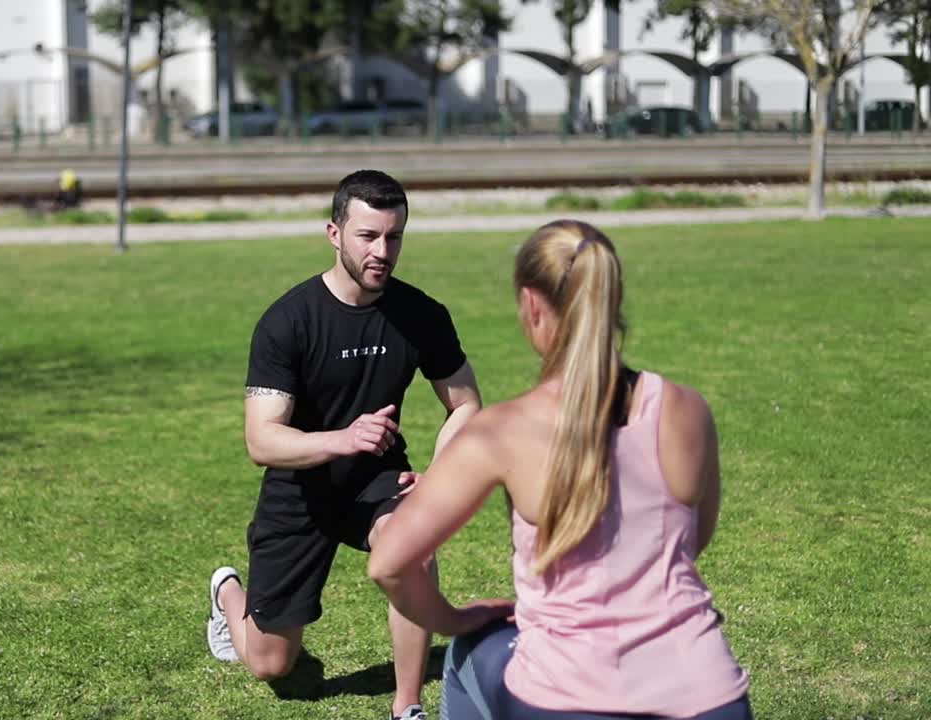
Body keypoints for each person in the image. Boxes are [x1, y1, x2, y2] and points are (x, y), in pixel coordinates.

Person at [368, 220, 752, 719]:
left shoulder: (501, 430)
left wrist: (457, 618)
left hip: (567, 698)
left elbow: (390, 562)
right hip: (710, 696)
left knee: (467, 655)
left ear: (531, 305)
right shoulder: (687, 409)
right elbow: (693, 539)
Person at [207, 170, 483, 720]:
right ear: (334, 233)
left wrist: (440, 471)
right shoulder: (289, 322)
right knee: (271, 664)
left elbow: (467, 405)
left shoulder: (420, 314)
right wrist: (342, 438)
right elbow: (262, 440)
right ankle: (226, 595)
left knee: (414, 544)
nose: (383, 251)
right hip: (300, 487)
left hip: (378, 479)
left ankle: (407, 707)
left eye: (394, 237)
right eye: (368, 236)